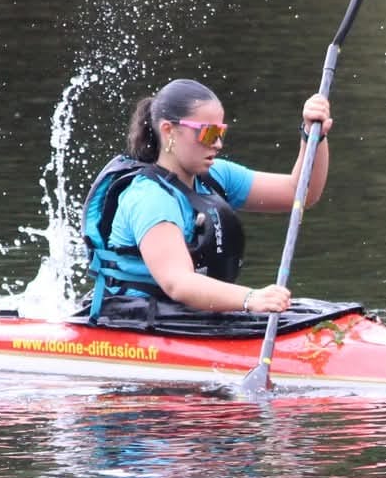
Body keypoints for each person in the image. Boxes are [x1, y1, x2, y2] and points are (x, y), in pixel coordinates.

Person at [80, 78, 332, 319]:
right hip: (137, 320)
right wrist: (251, 298)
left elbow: (300, 193)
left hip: (188, 316)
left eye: (220, 132)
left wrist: (313, 136)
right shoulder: (150, 198)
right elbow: (178, 282)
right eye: (208, 133)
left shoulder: (215, 175)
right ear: (168, 131)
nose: (218, 144)